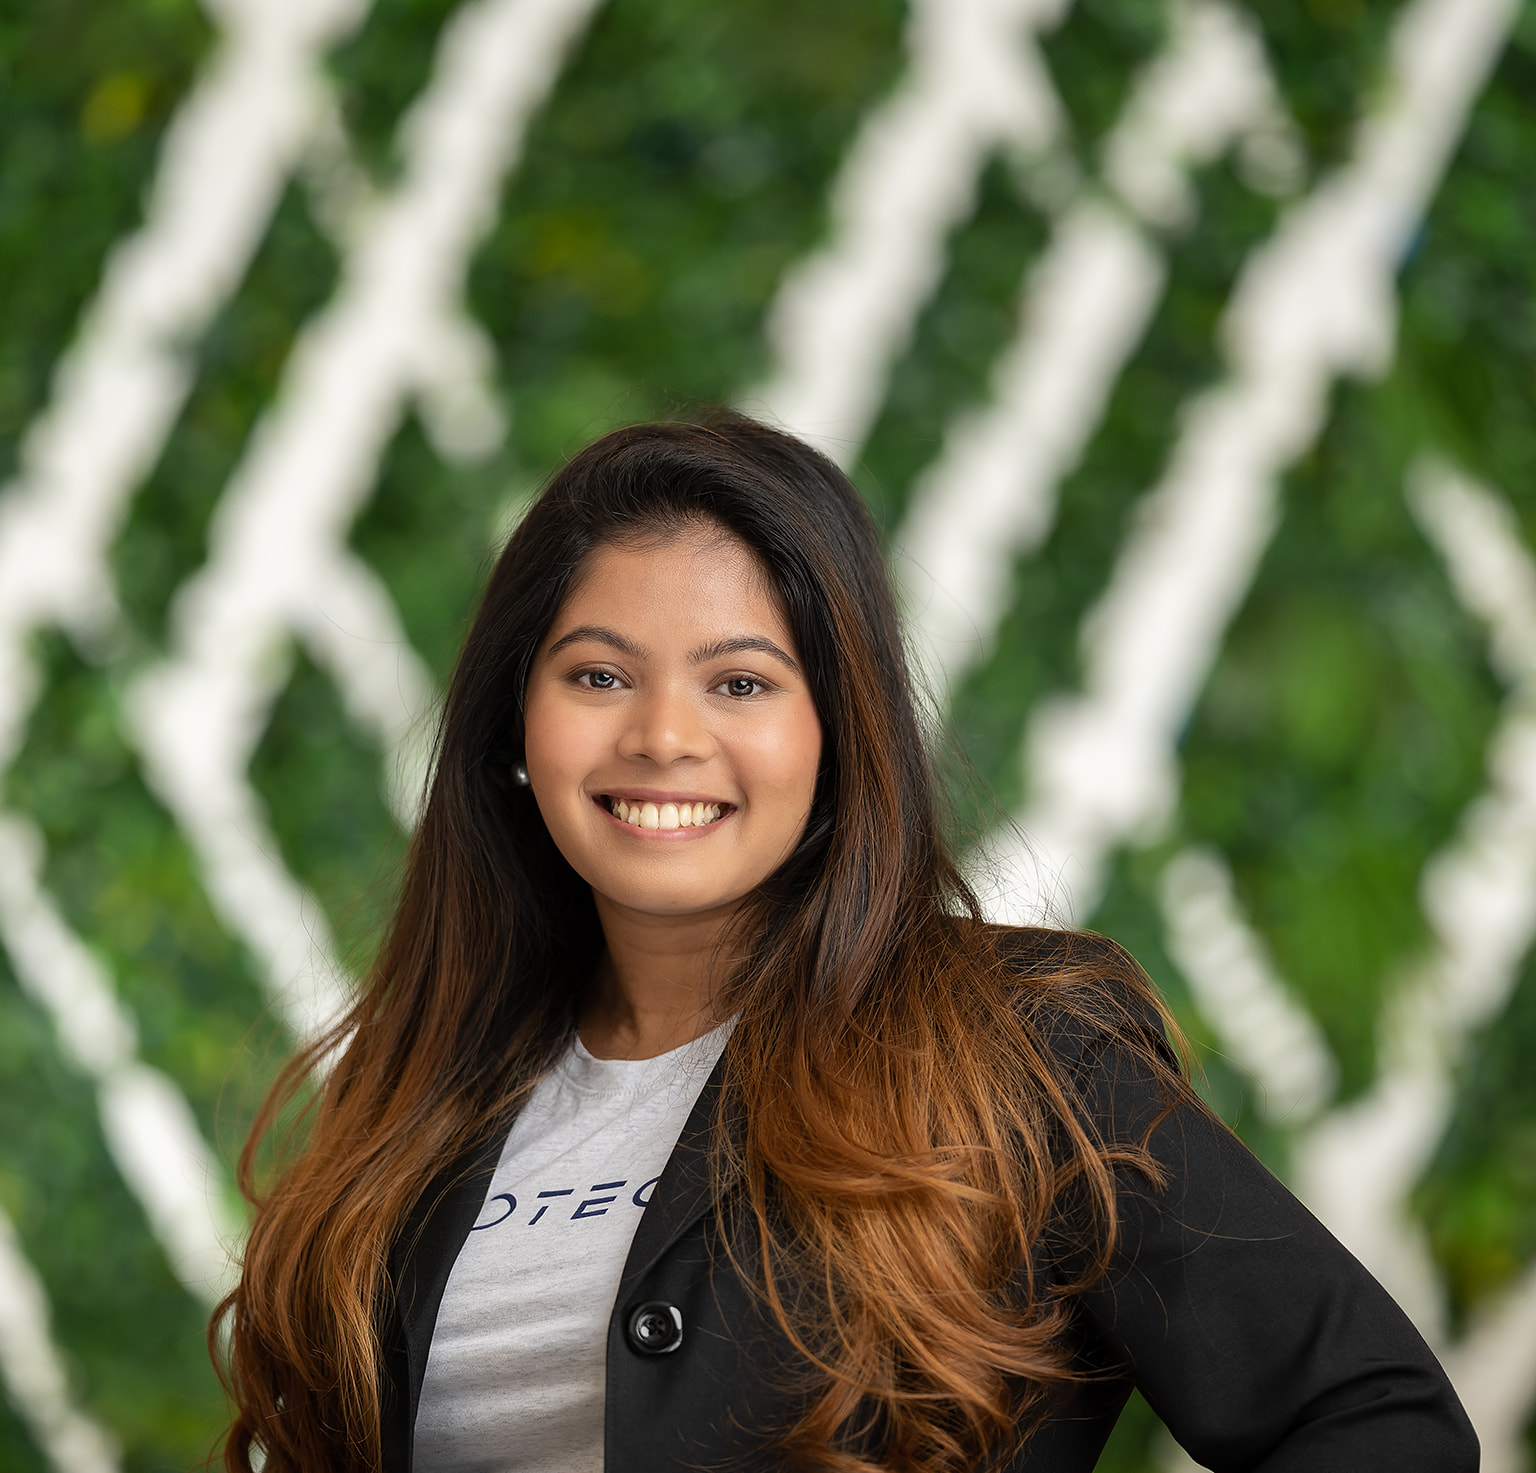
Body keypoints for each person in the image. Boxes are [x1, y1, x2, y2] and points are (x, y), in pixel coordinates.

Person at [212, 413, 1476, 1472]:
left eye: (740, 682)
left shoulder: (1020, 1055)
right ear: (512, 726)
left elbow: (1376, 1422)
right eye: (598, 676)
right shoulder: (416, 1101)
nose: (662, 738)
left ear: (837, 732)